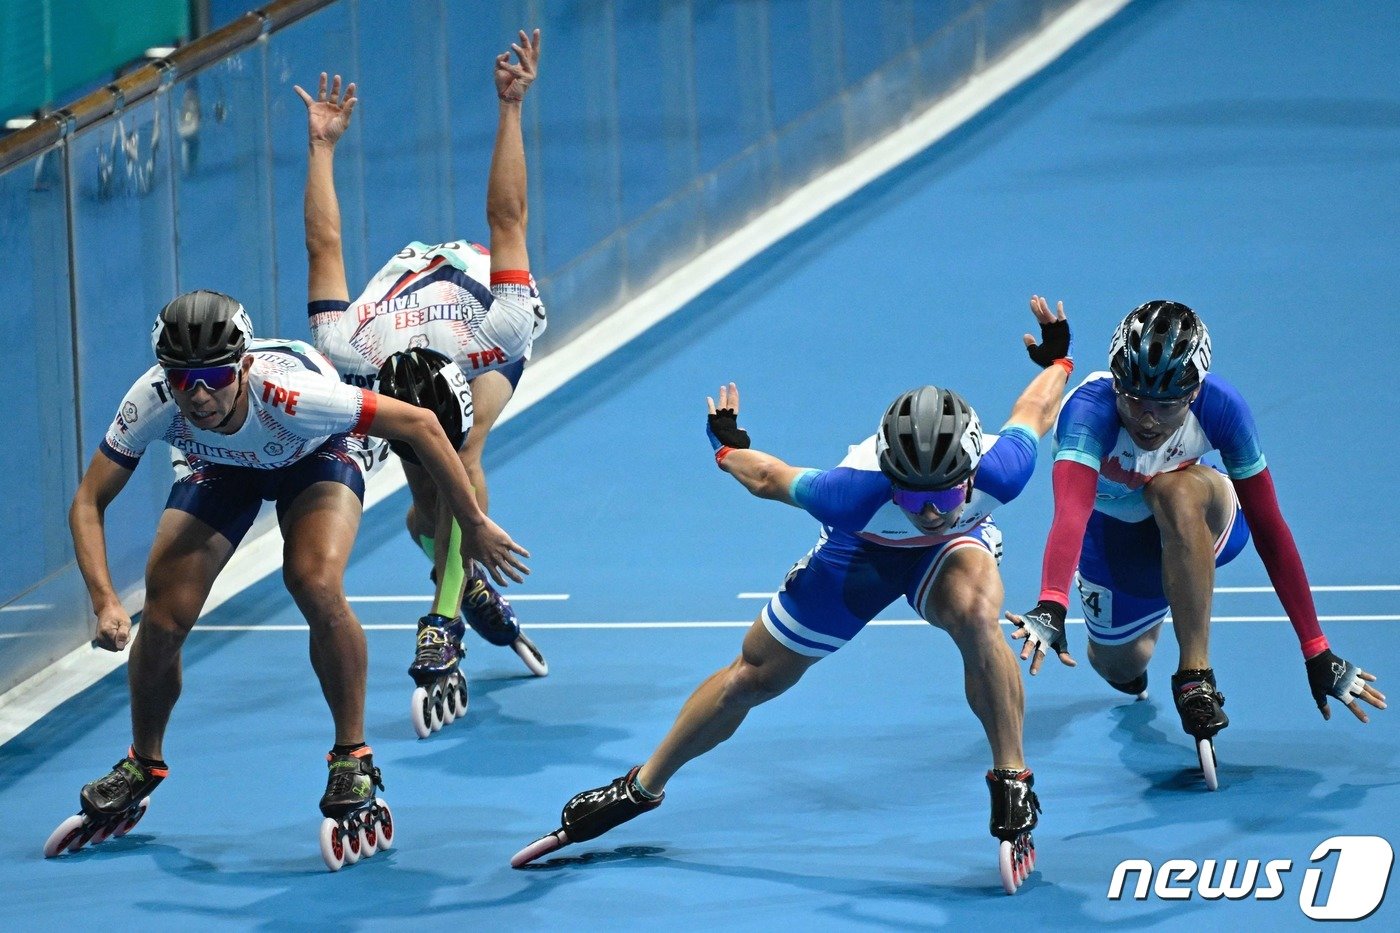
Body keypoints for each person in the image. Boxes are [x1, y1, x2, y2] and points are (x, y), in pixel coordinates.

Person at [512, 298, 1075, 894]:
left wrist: (1059, 359)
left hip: (955, 553)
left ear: (970, 475)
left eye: (944, 495)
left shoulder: (1002, 470)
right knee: (751, 678)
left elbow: (1033, 408)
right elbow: (768, 477)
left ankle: (1012, 778)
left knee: (974, 613)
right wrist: (727, 447)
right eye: (914, 498)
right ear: (891, 480)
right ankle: (642, 786)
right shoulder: (851, 493)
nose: (932, 512)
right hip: (862, 551)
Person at [43, 290, 528, 869]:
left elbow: (422, 422)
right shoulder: (152, 400)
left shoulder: (296, 397)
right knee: (165, 615)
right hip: (221, 468)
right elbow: (88, 501)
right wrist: (103, 601)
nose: (198, 394)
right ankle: (143, 761)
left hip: (315, 454)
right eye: (183, 379)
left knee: (313, 581)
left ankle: (353, 755)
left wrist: (472, 522)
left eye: (215, 375)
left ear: (243, 367)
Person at [1007, 300, 1384, 780]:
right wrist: (1053, 602)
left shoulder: (1221, 406)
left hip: (1206, 520)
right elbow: (1071, 514)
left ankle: (1195, 676)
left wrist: (1316, 646)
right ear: (1117, 386)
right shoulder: (1087, 413)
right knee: (1119, 667)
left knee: (1174, 489)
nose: (1147, 419)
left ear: (1192, 393)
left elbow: (1270, 526)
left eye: (1165, 405)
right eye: (1135, 400)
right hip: (1117, 538)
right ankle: (1147, 621)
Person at [296, 31, 548, 732]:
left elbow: (508, 218)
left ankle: (443, 622)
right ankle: (460, 580)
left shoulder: (506, 325)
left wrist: (510, 106)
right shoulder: (349, 346)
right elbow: (325, 247)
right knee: (423, 517)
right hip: (399, 325)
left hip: (471, 312)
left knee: (462, 463)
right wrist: (322, 147)